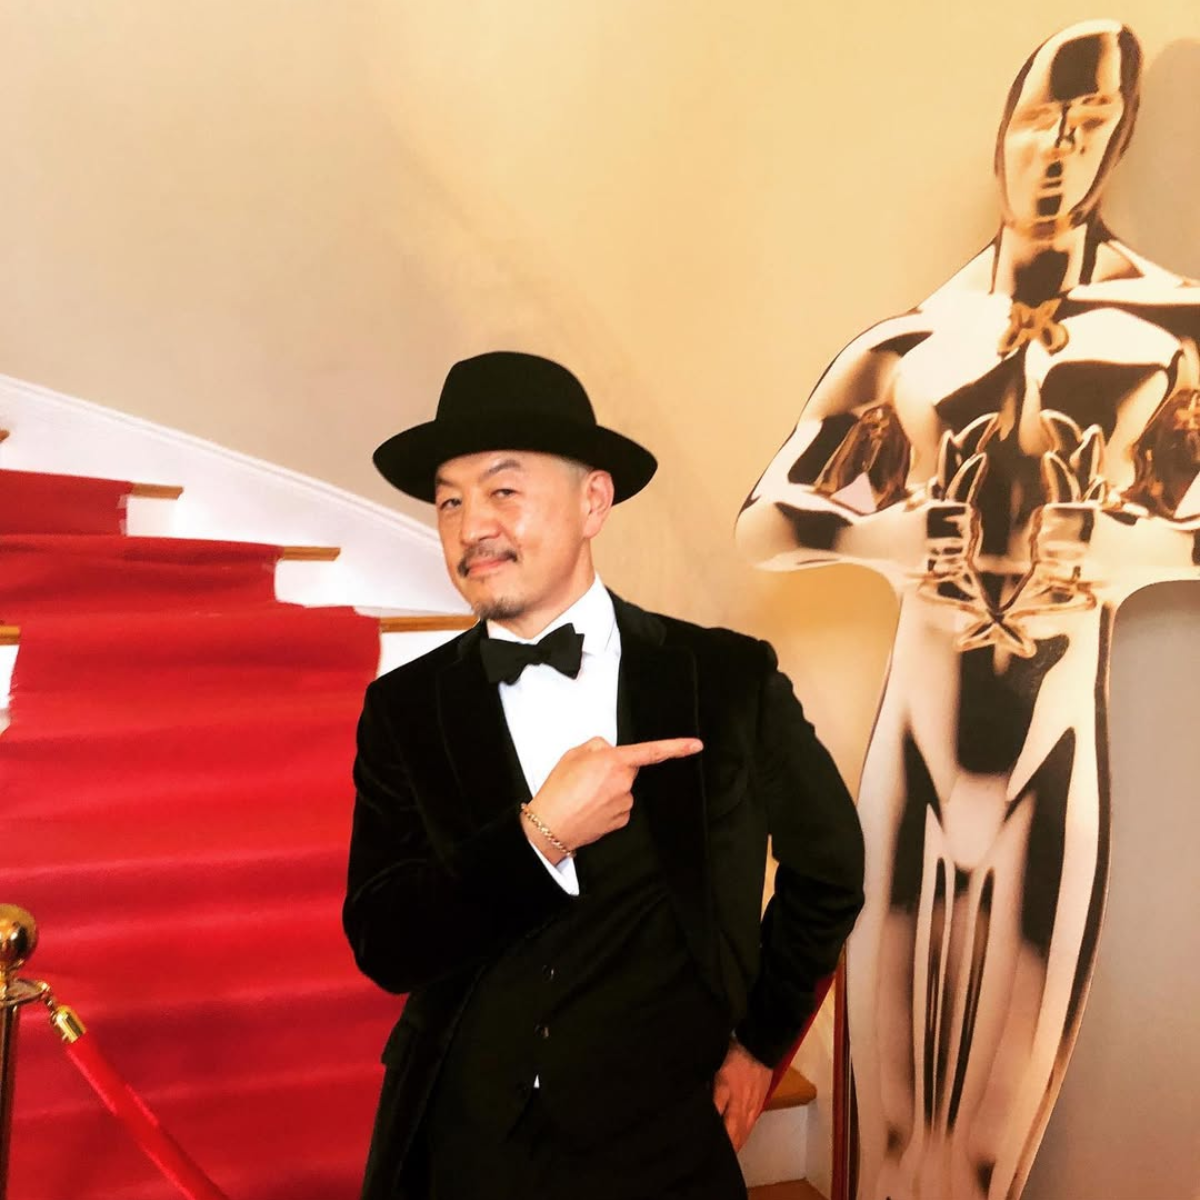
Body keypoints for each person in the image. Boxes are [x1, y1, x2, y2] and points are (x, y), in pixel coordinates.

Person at [736, 19, 1199, 1200]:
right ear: (1002, 133)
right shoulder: (913, 342)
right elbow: (767, 522)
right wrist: (889, 535)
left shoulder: (1173, 334)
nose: (1058, 145)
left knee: (999, 1106)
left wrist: (1130, 542)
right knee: (885, 1094)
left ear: (1120, 139)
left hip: (1055, 740)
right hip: (917, 732)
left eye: (1089, 122)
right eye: (1040, 116)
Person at [343, 350, 865, 1200]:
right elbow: (384, 939)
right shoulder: (405, 709)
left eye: (503, 490)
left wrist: (762, 1044)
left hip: (661, 1146)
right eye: (449, 500)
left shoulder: (723, 680)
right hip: (464, 1145)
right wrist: (537, 837)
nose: (472, 524)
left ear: (594, 500)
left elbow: (830, 869)